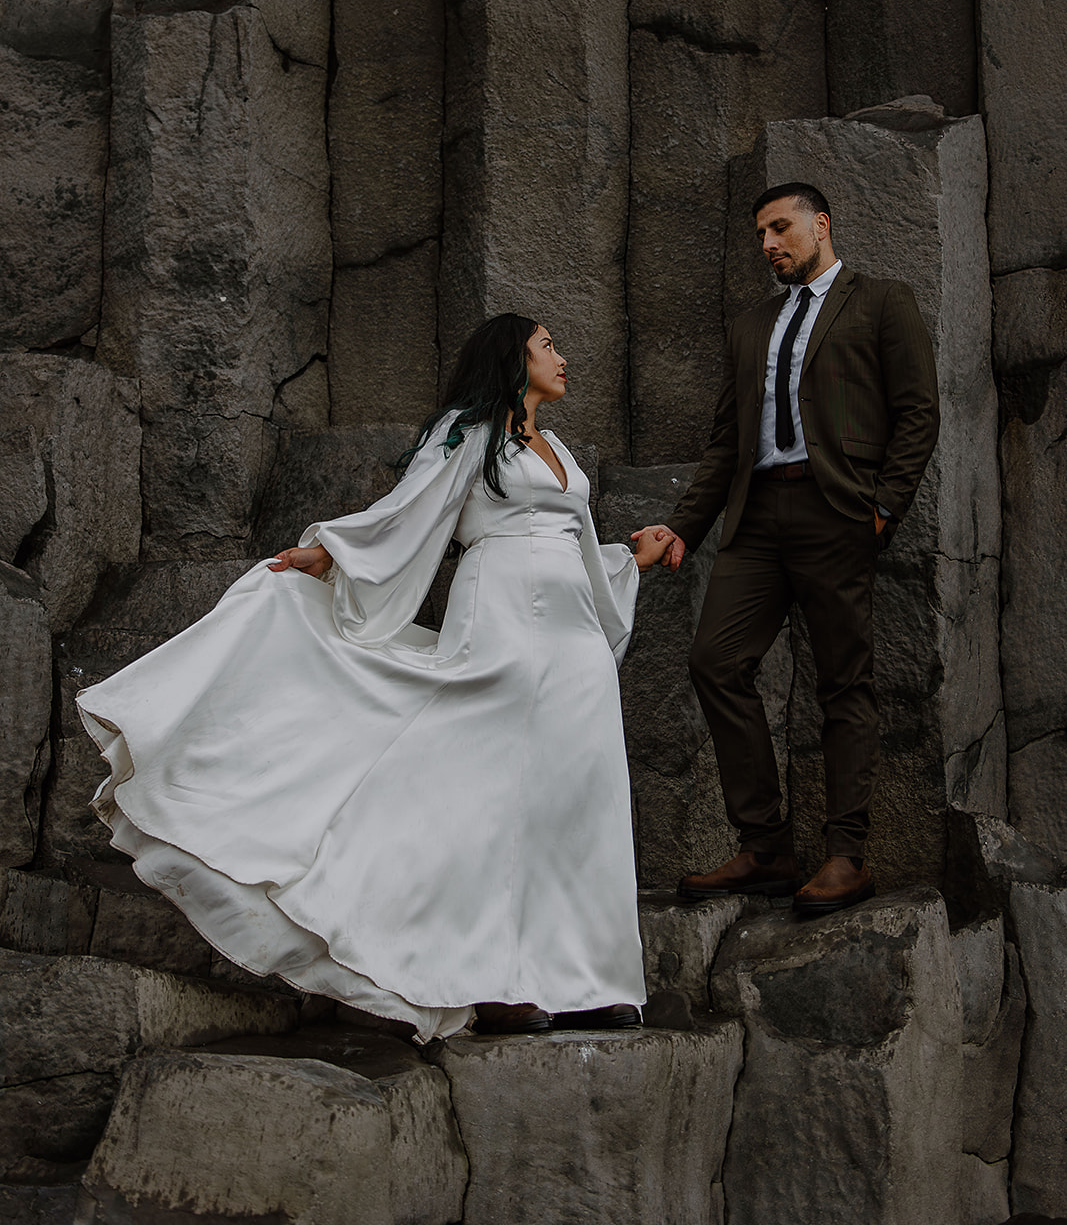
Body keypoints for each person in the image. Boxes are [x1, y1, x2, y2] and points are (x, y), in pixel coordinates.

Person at [79, 314, 671, 1040]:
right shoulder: (468, 430)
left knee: (576, 796)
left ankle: (589, 980)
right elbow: (408, 510)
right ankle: (488, 982)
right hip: (503, 615)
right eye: (548, 344)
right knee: (487, 796)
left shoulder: (559, 447)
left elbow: (572, 541)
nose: (563, 355)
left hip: (573, 635)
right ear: (511, 358)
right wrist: (331, 553)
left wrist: (627, 562)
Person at [631, 184, 939, 916]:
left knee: (843, 683)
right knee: (715, 661)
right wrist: (684, 526)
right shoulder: (750, 325)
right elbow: (722, 445)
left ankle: (845, 855)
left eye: (779, 228)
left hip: (838, 512)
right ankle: (766, 847)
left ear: (819, 224)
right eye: (760, 234)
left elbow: (917, 413)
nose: (768, 243)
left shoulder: (881, 302)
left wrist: (882, 510)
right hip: (756, 519)